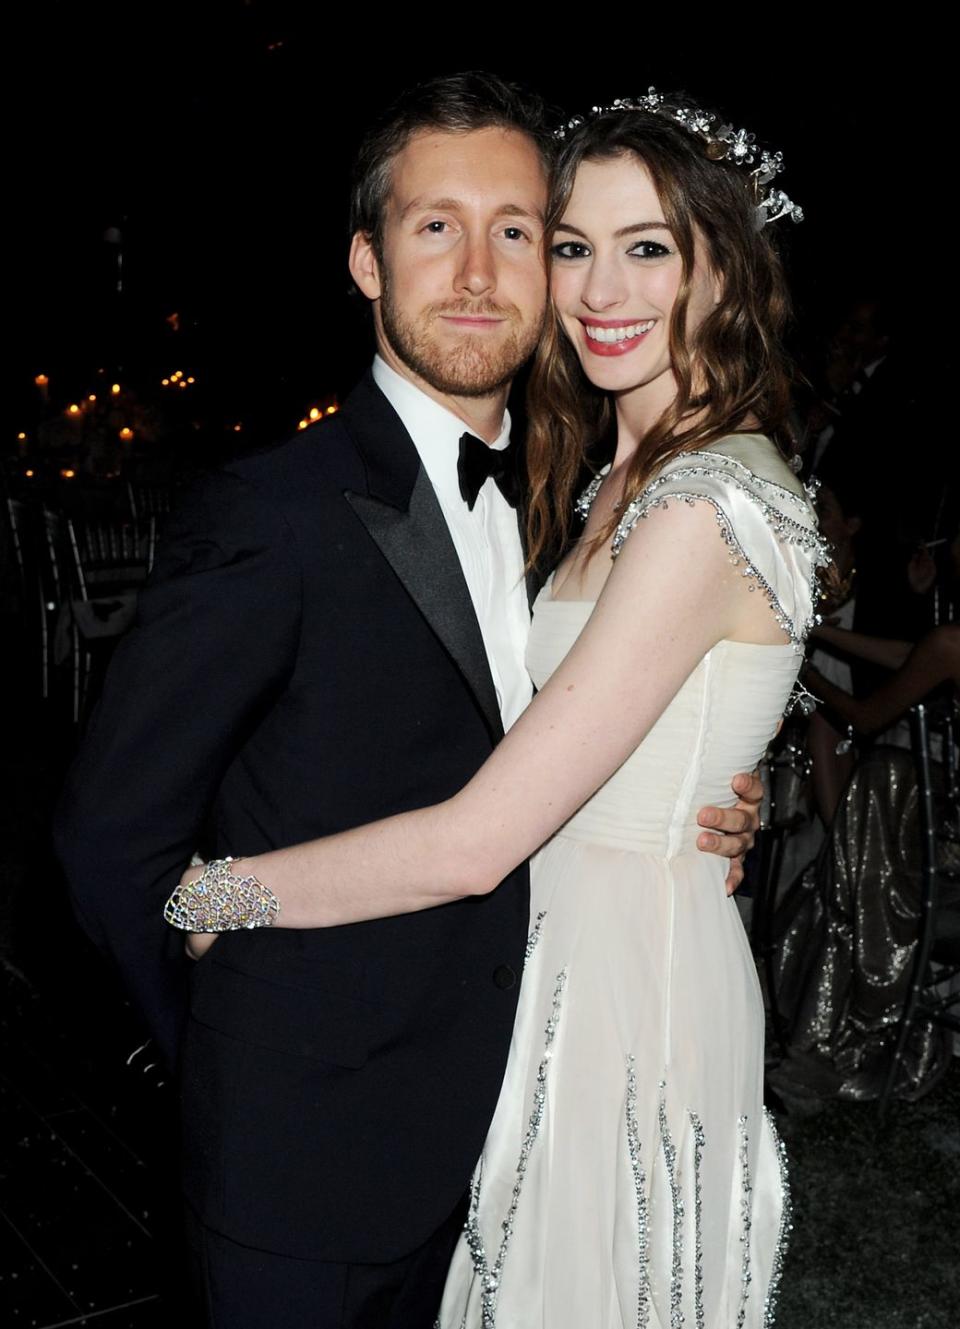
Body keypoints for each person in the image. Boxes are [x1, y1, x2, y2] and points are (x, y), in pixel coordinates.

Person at [53, 75, 763, 1329]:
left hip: (510, 1135)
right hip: (305, 1168)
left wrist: (704, 790)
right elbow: (111, 837)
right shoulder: (272, 514)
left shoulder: (574, 498)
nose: (481, 271)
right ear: (367, 263)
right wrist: (227, 1041)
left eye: (518, 232)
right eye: (436, 227)